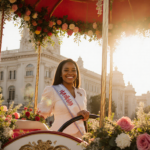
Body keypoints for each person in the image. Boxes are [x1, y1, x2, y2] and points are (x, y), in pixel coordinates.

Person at [37, 59, 89, 138]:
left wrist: (85, 114)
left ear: (77, 73)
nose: (70, 73)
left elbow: (83, 114)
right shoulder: (52, 90)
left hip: (80, 137)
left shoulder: (81, 92)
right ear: (60, 73)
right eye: (66, 70)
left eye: (73, 70)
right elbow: (41, 114)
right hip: (60, 136)